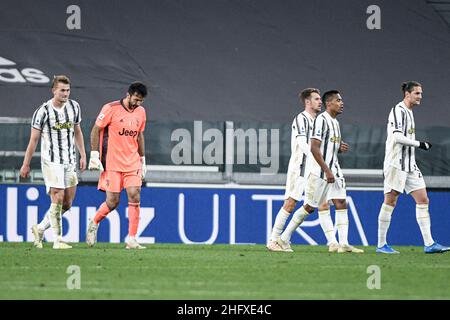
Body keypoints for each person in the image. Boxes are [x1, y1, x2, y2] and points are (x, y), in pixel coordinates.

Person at [278, 90, 364, 254]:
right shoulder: (321, 121)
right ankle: (283, 238)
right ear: (329, 103)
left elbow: (327, 147)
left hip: (334, 170)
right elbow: (314, 147)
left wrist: (338, 148)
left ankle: (344, 244)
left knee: (341, 202)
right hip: (319, 171)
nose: (342, 103)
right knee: (310, 207)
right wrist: (326, 170)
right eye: (338, 100)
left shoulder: (335, 123)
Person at [376, 81, 450, 254]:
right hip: (395, 164)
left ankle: (429, 243)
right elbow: (396, 137)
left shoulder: (409, 112)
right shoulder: (398, 111)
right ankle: (381, 245)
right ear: (407, 94)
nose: (420, 97)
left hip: (410, 165)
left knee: (423, 199)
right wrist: (420, 144)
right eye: (417, 93)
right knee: (390, 201)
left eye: (421, 93)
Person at [266, 88, 340, 253]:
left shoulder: (319, 120)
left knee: (321, 204)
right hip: (300, 167)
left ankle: (333, 243)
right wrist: (316, 157)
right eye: (316, 99)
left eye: (320, 99)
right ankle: (273, 240)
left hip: (314, 170)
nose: (320, 102)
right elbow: (301, 142)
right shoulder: (301, 119)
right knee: (290, 203)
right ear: (307, 102)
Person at [20, 75, 86, 249]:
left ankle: (40, 228)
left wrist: (83, 154)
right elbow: (33, 140)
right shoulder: (43, 111)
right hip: (51, 161)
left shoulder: (74, 107)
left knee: (67, 203)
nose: (66, 94)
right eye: (62, 90)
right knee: (58, 196)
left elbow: (77, 131)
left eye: (68, 90)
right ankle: (57, 240)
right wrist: (26, 164)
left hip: (70, 161)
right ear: (54, 90)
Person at [86, 82, 148, 249]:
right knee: (112, 202)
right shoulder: (110, 108)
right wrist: (94, 155)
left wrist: (142, 159)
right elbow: (95, 130)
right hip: (112, 163)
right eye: (136, 99)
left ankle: (132, 239)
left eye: (141, 101)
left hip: (132, 162)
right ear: (128, 95)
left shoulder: (141, 112)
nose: (138, 103)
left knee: (135, 194)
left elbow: (139, 135)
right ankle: (95, 221)